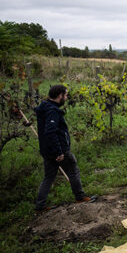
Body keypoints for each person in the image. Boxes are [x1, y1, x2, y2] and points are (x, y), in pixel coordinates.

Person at [33, 85, 94, 213]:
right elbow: (51, 131)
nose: (66, 98)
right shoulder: (52, 111)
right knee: (73, 170)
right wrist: (59, 151)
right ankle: (80, 197)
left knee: (48, 177)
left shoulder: (44, 107)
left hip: (46, 150)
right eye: (65, 95)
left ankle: (40, 206)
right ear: (60, 95)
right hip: (58, 150)